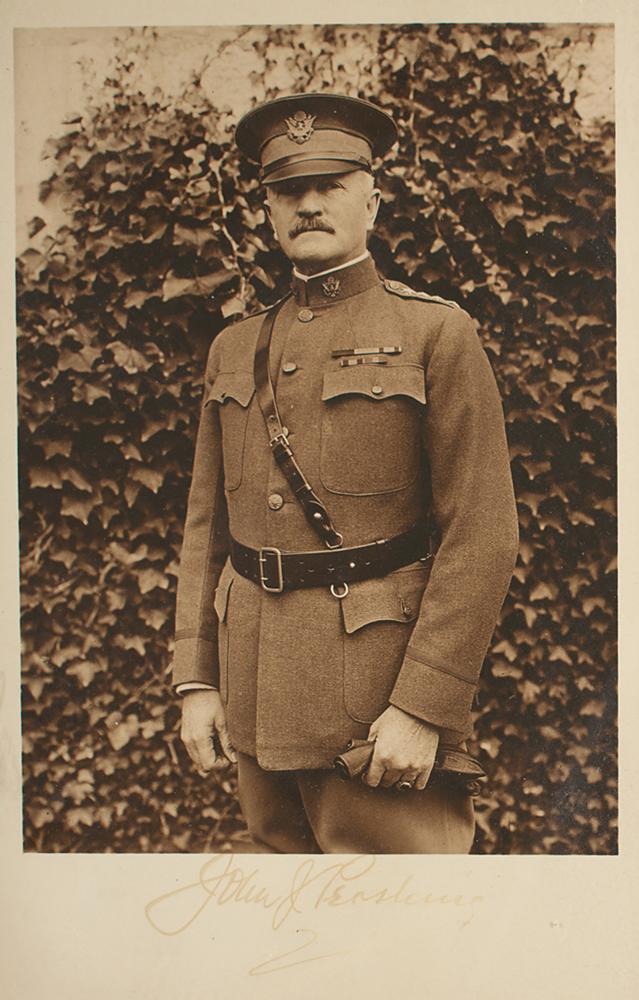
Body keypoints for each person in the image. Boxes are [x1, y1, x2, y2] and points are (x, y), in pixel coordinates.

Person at [173, 93, 519, 853]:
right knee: (284, 907)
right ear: (268, 210)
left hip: (376, 705)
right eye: (288, 189)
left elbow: (482, 535)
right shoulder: (234, 348)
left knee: (402, 911)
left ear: (372, 200)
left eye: (329, 184)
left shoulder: (435, 332)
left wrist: (423, 707)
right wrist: (196, 680)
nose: (308, 204)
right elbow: (207, 528)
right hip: (254, 698)